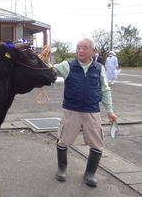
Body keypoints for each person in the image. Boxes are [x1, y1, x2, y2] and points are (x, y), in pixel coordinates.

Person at [50, 38, 117, 187]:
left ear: (92, 51)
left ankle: (90, 173)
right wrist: (41, 61)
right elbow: (50, 69)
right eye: (78, 47)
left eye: (84, 48)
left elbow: (105, 89)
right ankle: (62, 169)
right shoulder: (67, 65)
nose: (80, 50)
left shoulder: (99, 68)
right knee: (63, 141)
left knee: (97, 144)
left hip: (92, 111)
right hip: (71, 110)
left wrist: (110, 111)